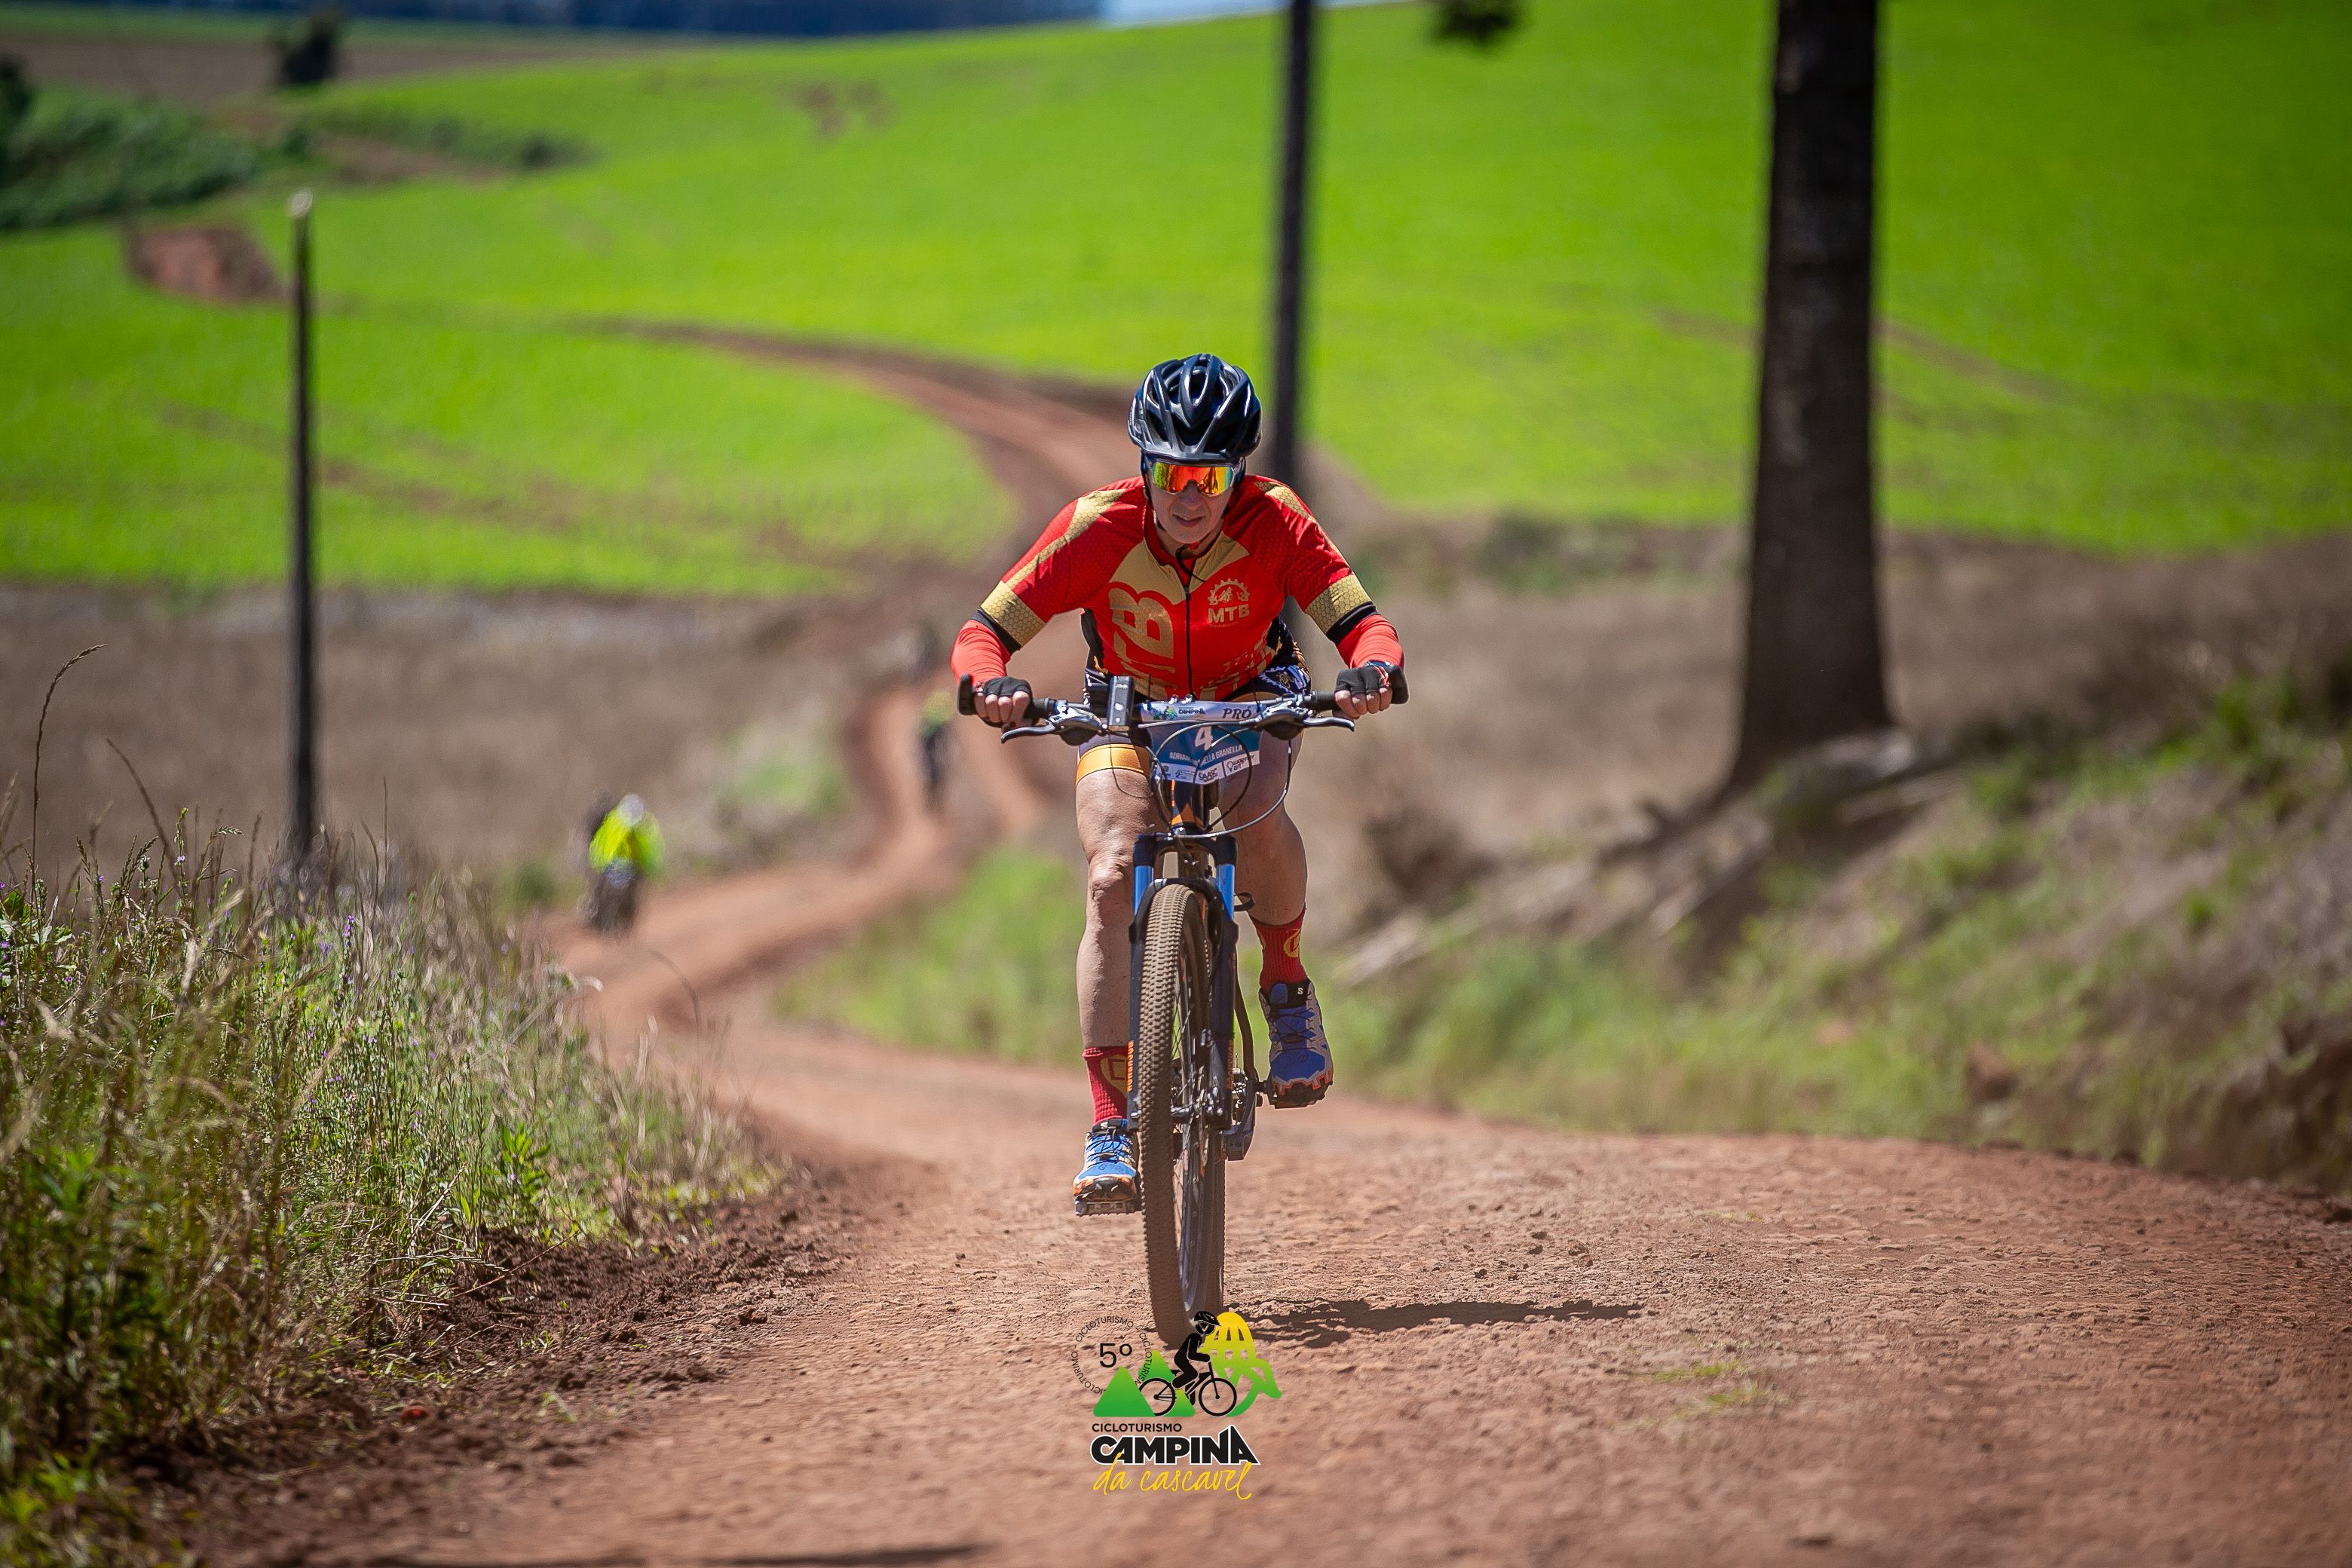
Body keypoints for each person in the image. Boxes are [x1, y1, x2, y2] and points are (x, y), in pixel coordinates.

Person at [952, 352, 1404, 1213]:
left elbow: (1362, 623)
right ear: (1143, 466)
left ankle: (1285, 990)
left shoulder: (1278, 520)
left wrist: (1372, 670)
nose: (1188, 496)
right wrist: (992, 683)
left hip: (1250, 697)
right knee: (1110, 876)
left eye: (1209, 476)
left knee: (1258, 814)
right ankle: (1109, 1126)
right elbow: (984, 632)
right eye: (1170, 473)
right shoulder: (1097, 527)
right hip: (1130, 711)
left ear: (1239, 474)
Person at [586, 794, 664, 933]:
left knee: (635, 887)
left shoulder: (644, 828)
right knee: (599, 883)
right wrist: (601, 861)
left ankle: (627, 916)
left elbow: (648, 849)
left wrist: (647, 866)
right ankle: (593, 908)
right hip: (611, 863)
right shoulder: (614, 823)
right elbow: (604, 844)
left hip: (631, 865)